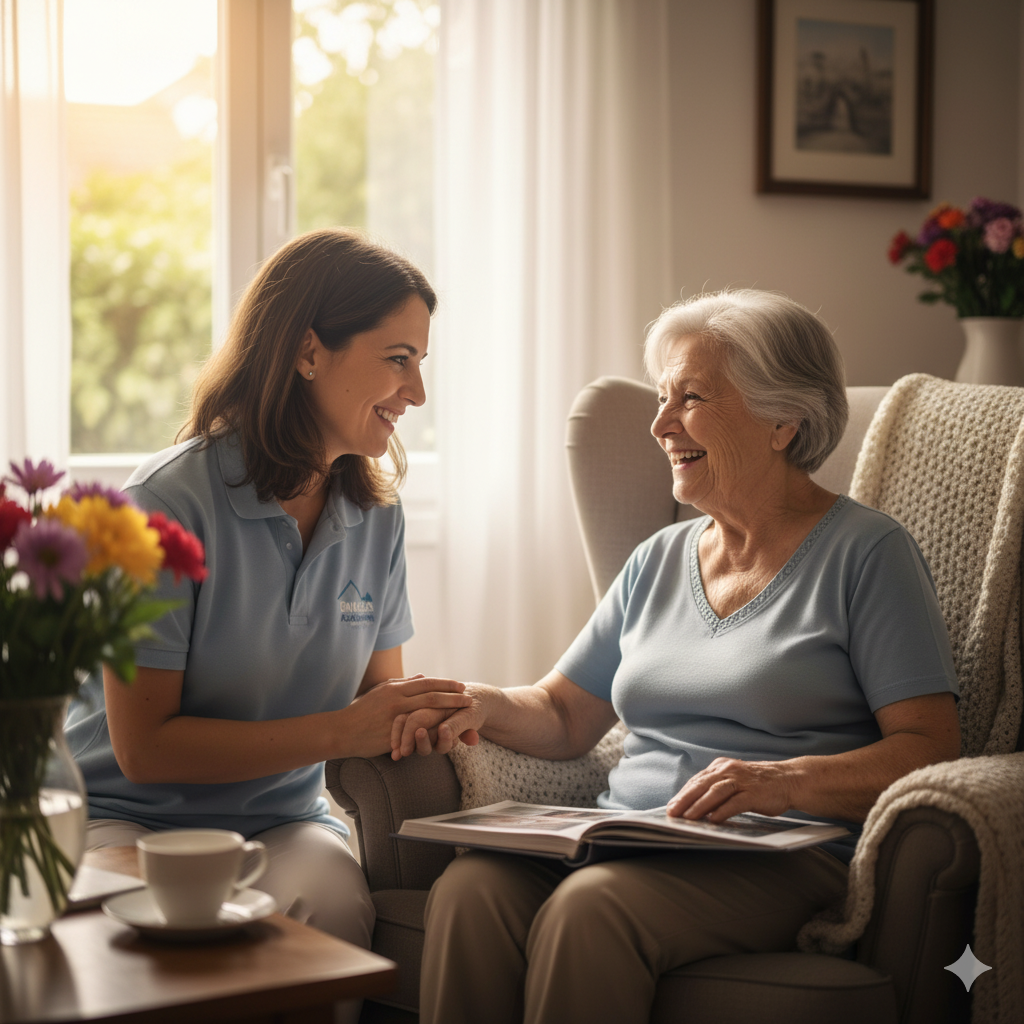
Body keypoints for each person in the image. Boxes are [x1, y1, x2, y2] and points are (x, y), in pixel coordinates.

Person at [391, 289, 962, 1024]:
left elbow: (929, 749)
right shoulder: (658, 559)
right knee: (472, 890)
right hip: (630, 840)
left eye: (689, 399)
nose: (660, 425)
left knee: (591, 911)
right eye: (663, 400)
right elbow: (565, 714)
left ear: (783, 420)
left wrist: (780, 780)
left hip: (776, 860)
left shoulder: (868, 555)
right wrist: (480, 701)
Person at [64, 229, 471, 985]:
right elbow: (143, 747)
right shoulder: (162, 506)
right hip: (129, 820)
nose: (416, 394)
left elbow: (372, 700)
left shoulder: (376, 514)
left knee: (338, 908)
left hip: (280, 822)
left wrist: (434, 712)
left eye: (421, 364)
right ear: (308, 351)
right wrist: (345, 730)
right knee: (163, 958)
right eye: (398, 360)